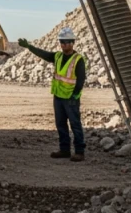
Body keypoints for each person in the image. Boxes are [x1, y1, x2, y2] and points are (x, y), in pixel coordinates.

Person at [18, 27, 86, 161]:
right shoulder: (58, 56)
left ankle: (79, 151)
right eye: (62, 42)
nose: (64, 45)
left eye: (67, 42)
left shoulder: (78, 59)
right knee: (60, 124)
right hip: (58, 97)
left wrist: (75, 95)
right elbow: (43, 54)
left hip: (70, 98)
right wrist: (29, 47)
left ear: (73, 42)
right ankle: (64, 149)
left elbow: (81, 79)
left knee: (75, 124)